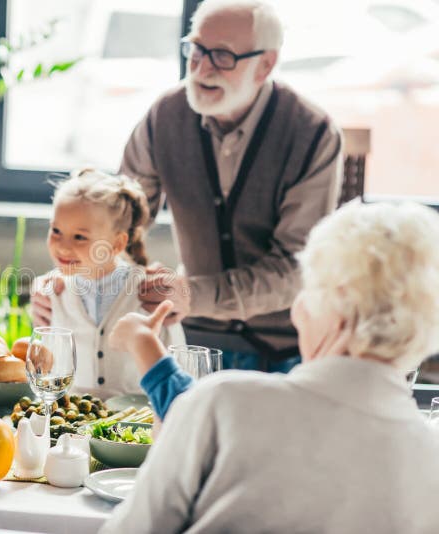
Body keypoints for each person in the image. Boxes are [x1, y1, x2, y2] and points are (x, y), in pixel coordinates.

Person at [32, 0, 343, 373]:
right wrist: (73, 273)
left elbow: (295, 270)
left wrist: (192, 294)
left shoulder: (312, 133)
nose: (200, 66)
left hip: (287, 350)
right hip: (191, 342)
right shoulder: (165, 116)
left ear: (265, 65)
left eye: (223, 55)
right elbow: (115, 222)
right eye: (195, 48)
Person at [100, 201, 439, 533]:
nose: (297, 310)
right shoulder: (431, 465)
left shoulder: (223, 402)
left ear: (335, 306)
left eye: (306, 291)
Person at [43, 169, 184, 398]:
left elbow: (179, 366)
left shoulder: (150, 293)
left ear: (117, 244)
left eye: (79, 237)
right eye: (56, 230)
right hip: (75, 426)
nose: (62, 246)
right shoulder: (52, 291)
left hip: (135, 426)